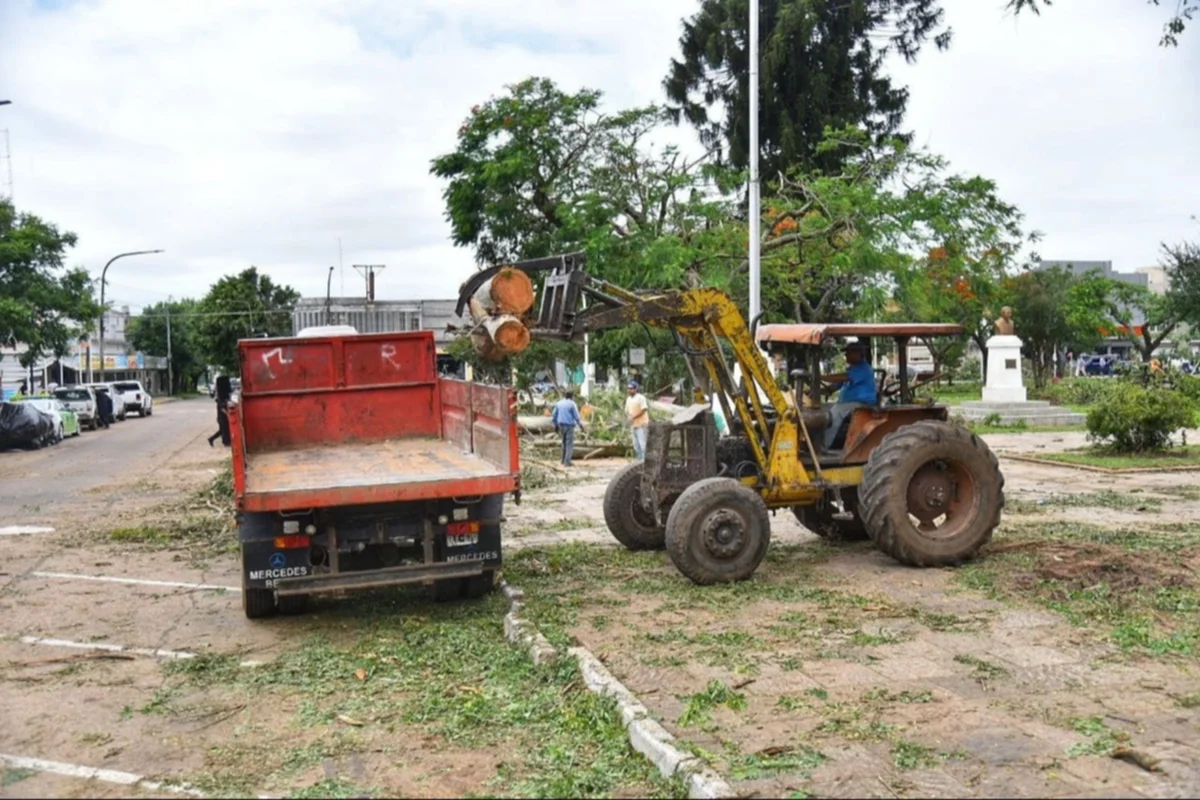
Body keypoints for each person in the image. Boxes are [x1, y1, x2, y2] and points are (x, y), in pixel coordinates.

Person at [821, 341, 877, 451]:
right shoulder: (852, 370)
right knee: (825, 410)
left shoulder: (864, 369)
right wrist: (814, 391)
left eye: (848, 352)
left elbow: (844, 377)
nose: (845, 355)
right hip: (850, 403)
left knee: (834, 414)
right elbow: (834, 386)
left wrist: (821, 377)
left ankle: (823, 447)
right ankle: (819, 442)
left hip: (863, 403)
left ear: (858, 353)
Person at [550, 389, 584, 466]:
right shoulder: (572, 404)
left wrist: (554, 425)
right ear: (572, 396)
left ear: (564, 395)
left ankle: (562, 460)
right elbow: (576, 416)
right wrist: (581, 425)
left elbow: (554, 415)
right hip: (569, 426)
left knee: (563, 443)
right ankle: (567, 462)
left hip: (560, 425)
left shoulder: (559, 403)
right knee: (569, 444)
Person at [624, 380, 650, 461]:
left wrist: (634, 417)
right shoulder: (628, 399)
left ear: (635, 389)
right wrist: (629, 417)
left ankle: (644, 461)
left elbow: (644, 409)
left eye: (631, 388)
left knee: (643, 444)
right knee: (636, 445)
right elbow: (627, 411)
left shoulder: (640, 398)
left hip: (642, 424)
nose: (629, 390)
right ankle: (639, 460)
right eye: (628, 388)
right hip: (634, 425)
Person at [207, 375, 232, 447]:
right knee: (224, 429)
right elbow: (222, 407)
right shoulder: (222, 396)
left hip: (221, 415)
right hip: (222, 415)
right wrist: (227, 413)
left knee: (222, 430)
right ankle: (225, 442)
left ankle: (212, 439)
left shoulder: (221, 395)